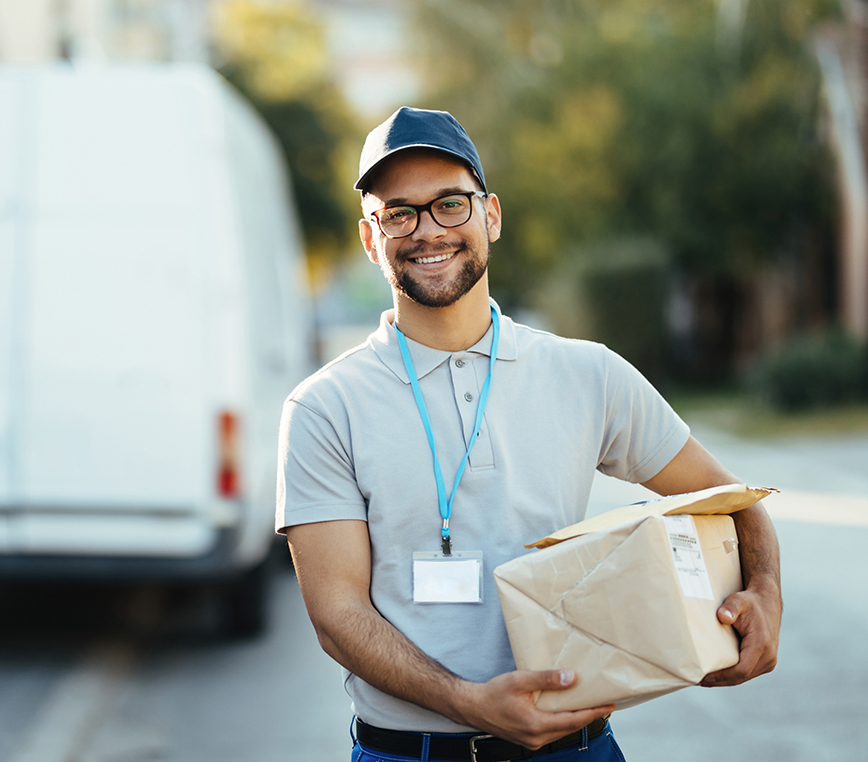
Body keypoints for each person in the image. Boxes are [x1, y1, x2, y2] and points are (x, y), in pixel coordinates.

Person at [275, 107, 781, 762]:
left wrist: (764, 592)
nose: (427, 230)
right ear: (372, 240)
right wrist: (466, 701)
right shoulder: (323, 408)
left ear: (491, 215)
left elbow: (731, 497)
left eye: (450, 204)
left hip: (577, 749)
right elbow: (337, 614)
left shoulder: (588, 373)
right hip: (411, 752)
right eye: (398, 213)